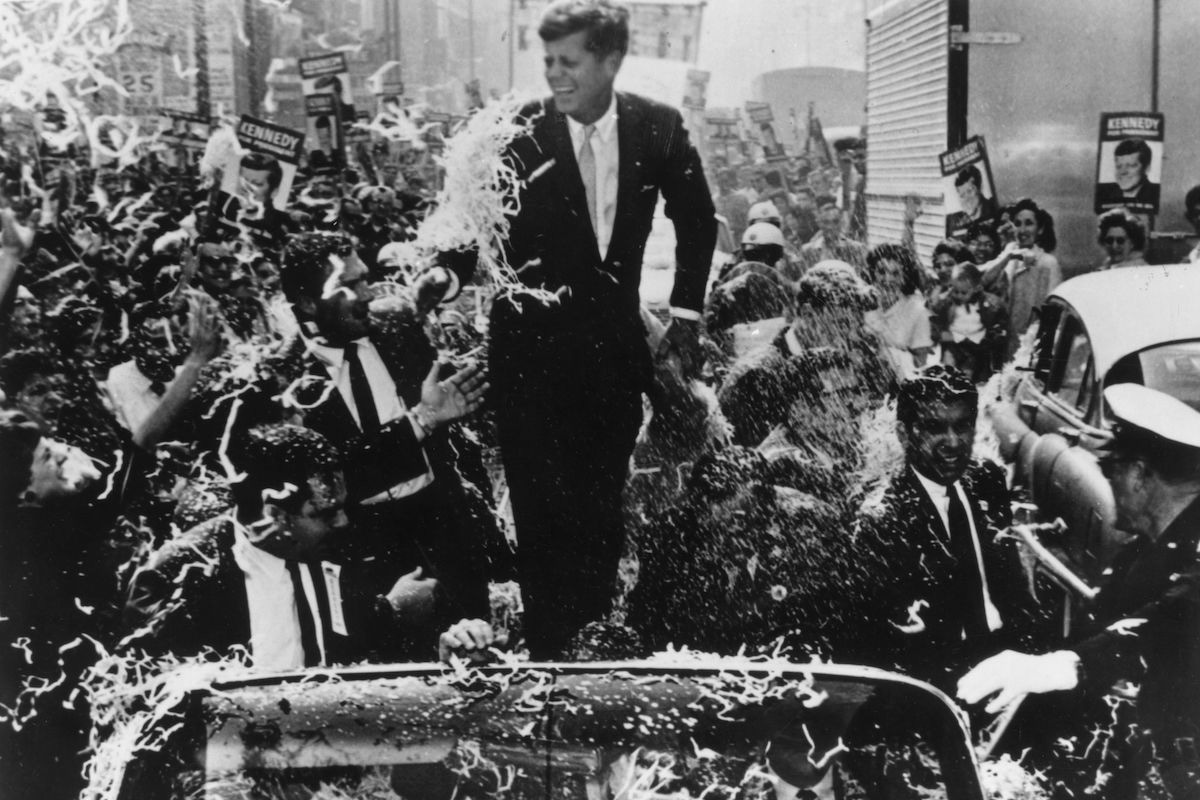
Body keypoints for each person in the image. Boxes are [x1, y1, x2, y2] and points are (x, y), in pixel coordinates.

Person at [428, 0, 716, 658]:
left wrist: (688, 316)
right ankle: (551, 656)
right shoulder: (512, 132)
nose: (555, 76)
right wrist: (443, 281)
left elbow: (698, 220)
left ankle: (587, 645)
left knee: (598, 515)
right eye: (548, 62)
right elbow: (470, 229)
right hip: (528, 363)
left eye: (571, 62)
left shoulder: (659, 126)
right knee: (540, 514)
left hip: (611, 360)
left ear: (611, 60)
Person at [958, 383, 1200, 799]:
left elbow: (1173, 621)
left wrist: (1066, 665)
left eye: (1111, 471)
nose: (1107, 483)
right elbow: (1097, 630)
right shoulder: (1143, 547)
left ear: (1139, 474)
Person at [275, 231, 495, 656]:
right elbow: (331, 480)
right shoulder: (285, 381)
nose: (366, 294)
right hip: (367, 561)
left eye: (365, 280)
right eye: (349, 285)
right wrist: (422, 421)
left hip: (445, 537)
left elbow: (465, 241)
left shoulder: (395, 323)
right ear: (305, 303)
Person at [122, 423, 494, 666]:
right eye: (325, 512)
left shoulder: (341, 552)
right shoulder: (178, 577)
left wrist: (445, 652)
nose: (343, 521)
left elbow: (371, 651)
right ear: (276, 515)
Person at [855, 367, 1037, 690]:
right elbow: (890, 643)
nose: (953, 442)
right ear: (904, 433)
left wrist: (1029, 649)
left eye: (963, 425)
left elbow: (1011, 582)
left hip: (1009, 654)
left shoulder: (986, 480)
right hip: (942, 676)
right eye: (934, 428)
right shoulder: (883, 519)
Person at [984, 197, 1061, 356]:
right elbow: (984, 280)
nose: (1022, 230)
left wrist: (1032, 347)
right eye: (1017, 223)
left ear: (1040, 229)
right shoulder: (1010, 251)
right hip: (1002, 343)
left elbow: (1052, 313)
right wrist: (1008, 257)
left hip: (1030, 347)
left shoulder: (1048, 263)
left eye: (1029, 223)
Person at [862, 244, 932, 381]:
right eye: (881, 272)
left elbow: (921, 362)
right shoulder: (863, 300)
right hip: (863, 374)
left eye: (895, 273)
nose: (888, 279)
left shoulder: (918, 309)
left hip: (900, 379)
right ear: (872, 273)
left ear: (905, 276)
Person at [931, 263, 1007, 384]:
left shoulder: (988, 304)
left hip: (975, 346)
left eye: (964, 292)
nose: (959, 295)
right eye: (955, 291)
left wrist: (992, 336)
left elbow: (997, 324)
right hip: (953, 344)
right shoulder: (949, 301)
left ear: (976, 288)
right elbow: (936, 315)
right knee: (948, 369)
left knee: (967, 375)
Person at [799, 194, 868, 275]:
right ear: (819, 223)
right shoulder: (808, 251)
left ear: (841, 222)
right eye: (826, 222)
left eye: (835, 221)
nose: (831, 227)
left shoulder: (855, 249)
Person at [1096, 137, 1160, 213]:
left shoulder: (1156, 195)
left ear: (1146, 168)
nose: (1123, 172)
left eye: (1131, 165)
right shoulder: (1103, 193)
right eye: (1119, 166)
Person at [944, 164, 997, 240]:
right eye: (962, 195)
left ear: (980, 188)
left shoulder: (994, 207)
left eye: (969, 191)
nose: (966, 199)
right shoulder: (953, 221)